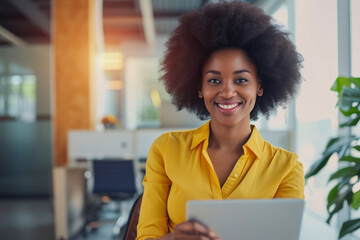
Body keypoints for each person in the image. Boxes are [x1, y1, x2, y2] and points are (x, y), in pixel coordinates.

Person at [136, 1, 304, 239]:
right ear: (199, 88)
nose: (226, 92)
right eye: (214, 80)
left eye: (241, 80)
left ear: (260, 86)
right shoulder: (166, 149)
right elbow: (146, 235)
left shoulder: (286, 168)